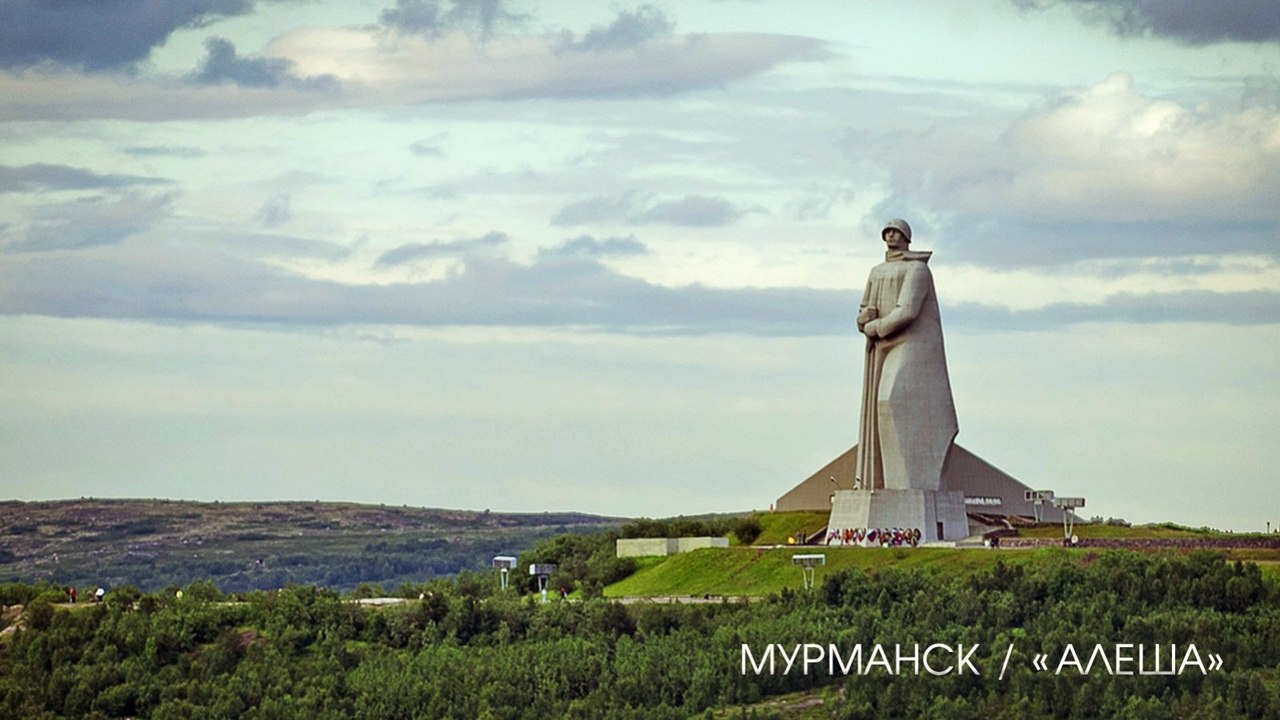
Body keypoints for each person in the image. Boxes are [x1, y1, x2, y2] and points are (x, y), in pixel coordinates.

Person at [855, 219, 958, 491]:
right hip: (882, 344)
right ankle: (888, 484)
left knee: (890, 400)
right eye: (887, 232)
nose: (891, 236)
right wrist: (863, 319)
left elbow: (908, 310)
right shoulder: (876, 271)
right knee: (881, 406)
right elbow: (864, 308)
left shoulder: (918, 270)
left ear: (907, 237)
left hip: (912, 343)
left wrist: (875, 327)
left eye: (896, 232)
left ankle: (908, 485)